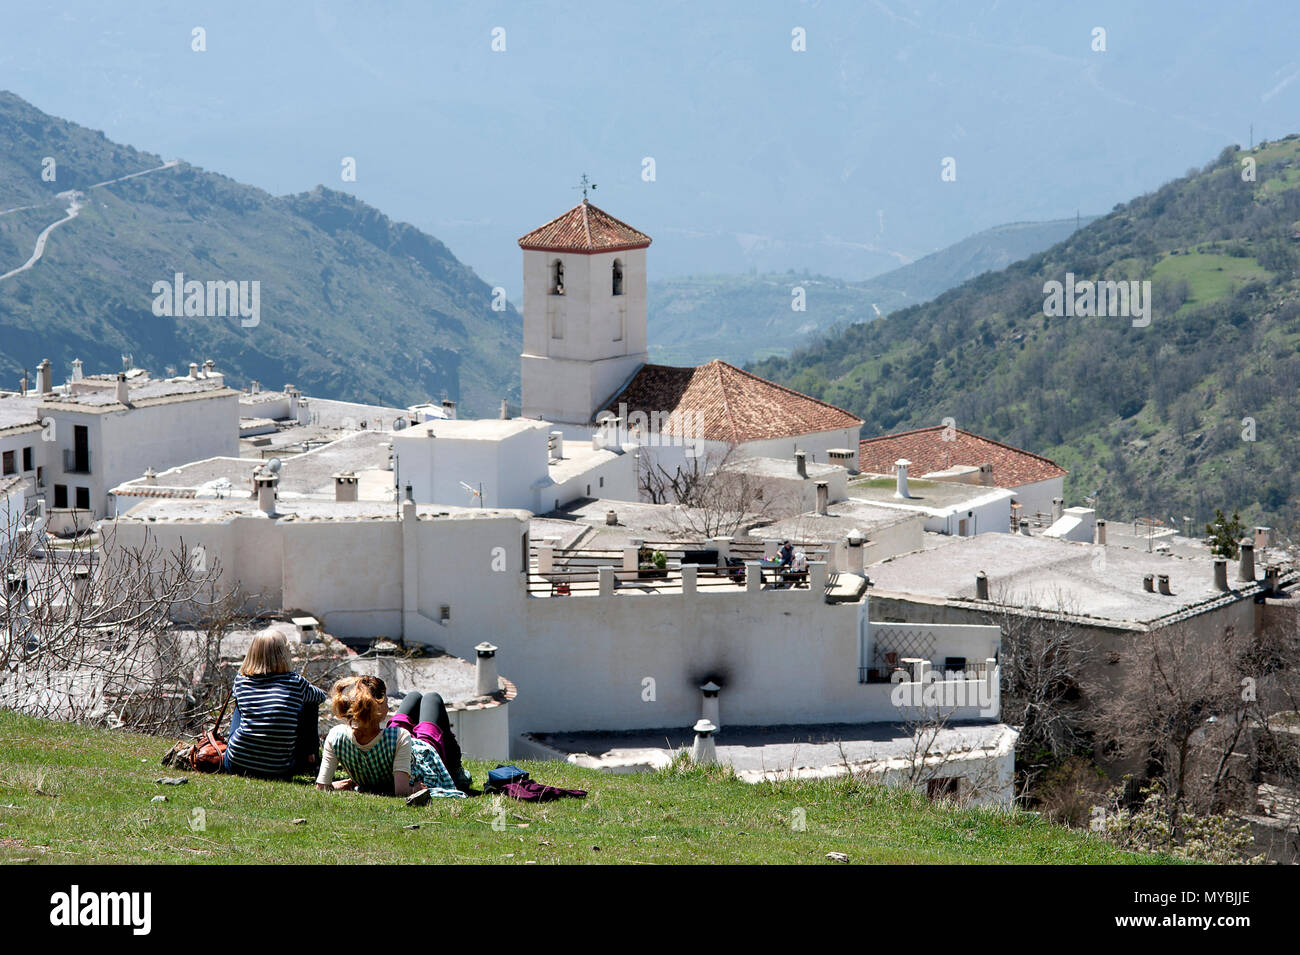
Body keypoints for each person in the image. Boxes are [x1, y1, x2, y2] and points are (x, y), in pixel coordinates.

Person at [315, 676, 466, 799]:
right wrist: (416, 788)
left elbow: (321, 786)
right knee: (432, 698)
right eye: (386, 700)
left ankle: (456, 768)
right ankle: (456, 770)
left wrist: (334, 786)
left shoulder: (335, 736)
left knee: (414, 696)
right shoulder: (398, 737)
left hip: (396, 747)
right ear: (378, 707)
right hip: (421, 760)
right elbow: (401, 790)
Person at [223, 630, 327, 778]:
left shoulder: (241, 681)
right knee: (311, 703)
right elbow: (321, 697)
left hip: (237, 763)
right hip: (278, 768)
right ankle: (311, 758)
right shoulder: (295, 682)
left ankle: (241, 747)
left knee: (241, 704)